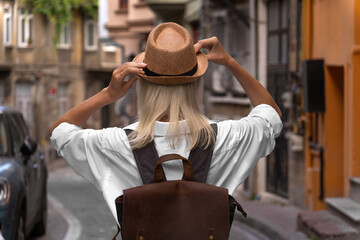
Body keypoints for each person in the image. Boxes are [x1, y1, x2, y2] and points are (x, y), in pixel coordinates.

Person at [50, 22, 282, 227]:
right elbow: (271, 117)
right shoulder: (226, 138)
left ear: (143, 85)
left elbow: (60, 133)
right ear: (195, 84)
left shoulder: (116, 144)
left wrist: (108, 94)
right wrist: (230, 62)